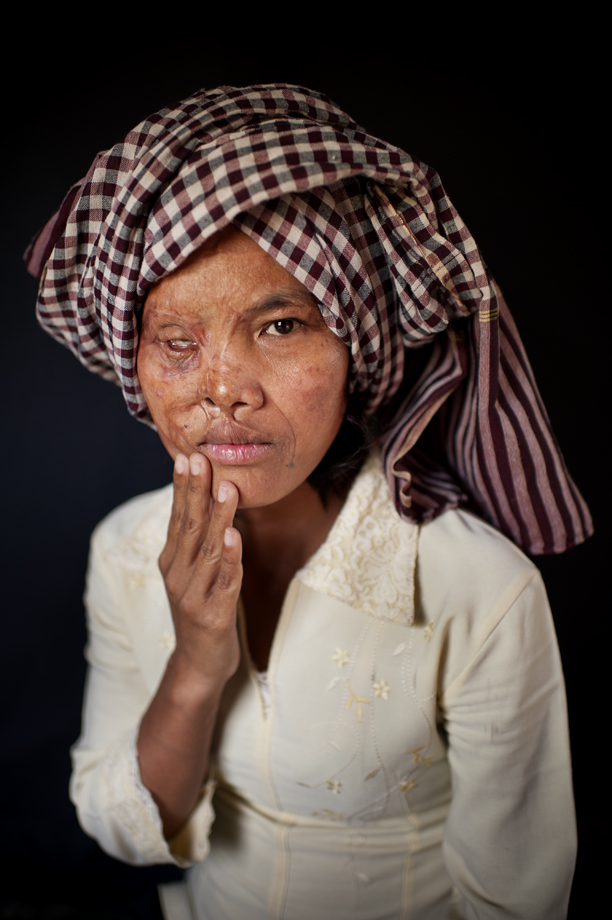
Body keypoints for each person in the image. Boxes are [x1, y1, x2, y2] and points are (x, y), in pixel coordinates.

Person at [25, 84, 591, 920]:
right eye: (177, 343)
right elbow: (122, 831)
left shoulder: (480, 588)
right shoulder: (122, 548)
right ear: (135, 364)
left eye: (281, 326)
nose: (223, 391)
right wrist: (195, 661)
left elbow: (515, 898)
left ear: (355, 345)